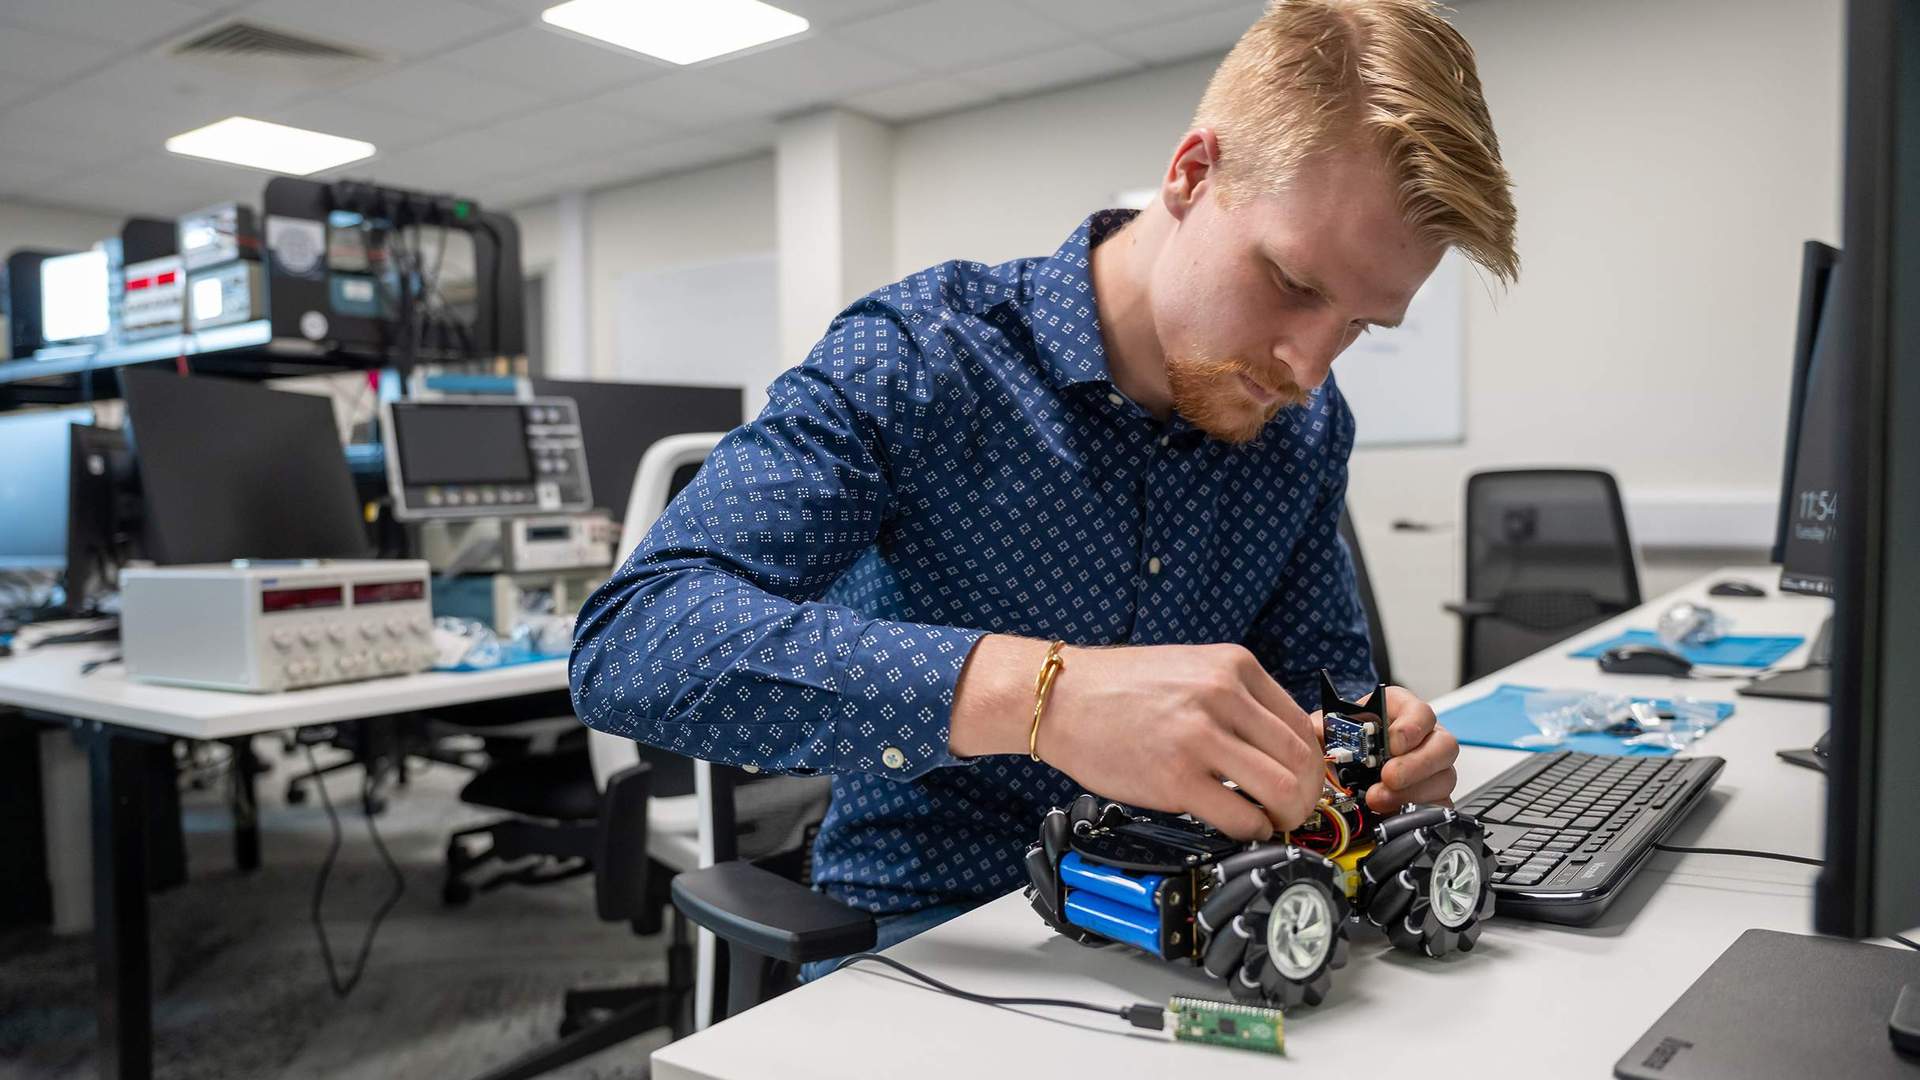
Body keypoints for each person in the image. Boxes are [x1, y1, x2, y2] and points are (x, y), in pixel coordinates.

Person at [571, 0, 1518, 979]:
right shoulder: (921, 358)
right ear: (1193, 176)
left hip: (1215, 906)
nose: (1308, 371)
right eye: (1293, 283)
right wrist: (1044, 698)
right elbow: (635, 641)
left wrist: (1377, 751)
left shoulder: (1305, 430)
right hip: (943, 925)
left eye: (1363, 325)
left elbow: (1325, 679)